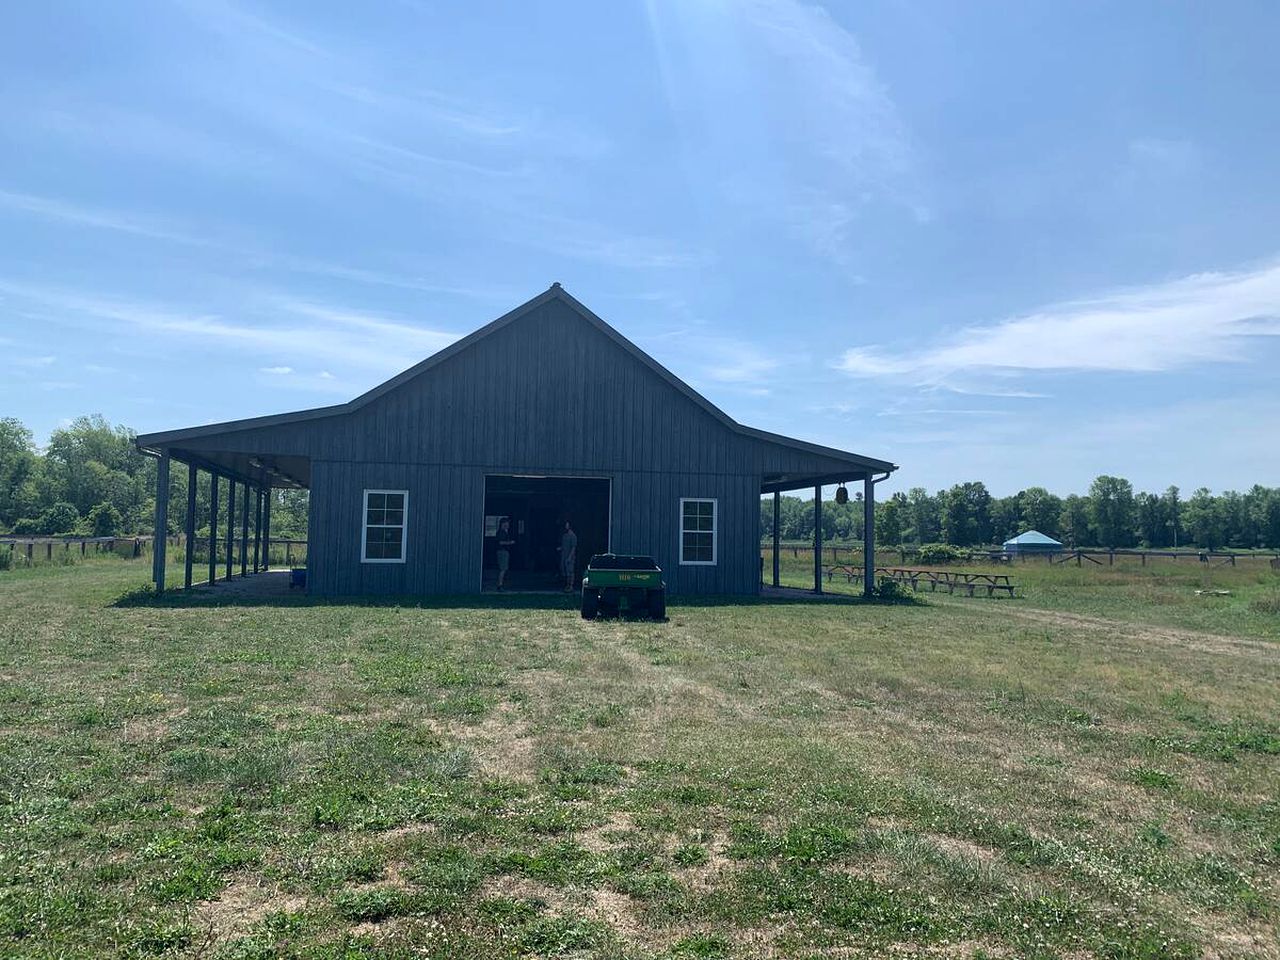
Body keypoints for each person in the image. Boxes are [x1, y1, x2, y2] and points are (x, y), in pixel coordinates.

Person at [558, 520, 578, 592]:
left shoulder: (573, 536)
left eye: (567, 525)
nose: (565, 526)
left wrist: (570, 557)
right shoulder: (565, 536)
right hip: (564, 556)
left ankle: (571, 586)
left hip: (570, 557)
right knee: (565, 572)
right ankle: (567, 585)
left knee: (570, 572)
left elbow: (573, 548)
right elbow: (564, 546)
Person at [496, 518, 515, 590]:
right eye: (507, 523)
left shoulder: (505, 532)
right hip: (502, 551)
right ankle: (500, 585)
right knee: (503, 569)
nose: (508, 525)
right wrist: (510, 542)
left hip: (504, 551)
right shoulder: (501, 532)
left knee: (504, 568)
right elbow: (500, 542)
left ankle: (501, 584)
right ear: (503, 524)